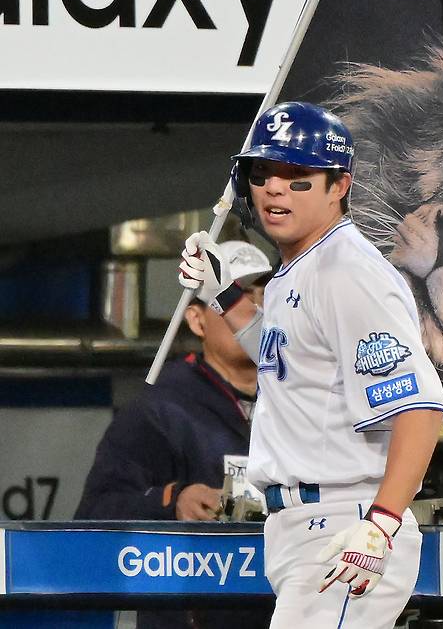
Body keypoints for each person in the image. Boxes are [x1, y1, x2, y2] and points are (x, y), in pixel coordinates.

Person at [179, 101, 443, 629]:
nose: (275, 189)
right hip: (304, 524)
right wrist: (223, 294)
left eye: (297, 175)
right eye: (263, 173)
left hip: (346, 521)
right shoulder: (300, 267)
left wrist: (382, 524)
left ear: (339, 185)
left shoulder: (347, 271)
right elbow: (286, 358)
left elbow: (421, 408)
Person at [75, 240, 272, 629]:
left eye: (262, 296)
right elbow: (94, 515)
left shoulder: (304, 398)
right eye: (232, 298)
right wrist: (173, 502)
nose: (253, 310)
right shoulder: (160, 408)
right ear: (197, 320)